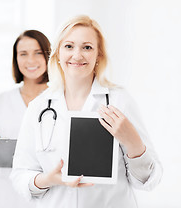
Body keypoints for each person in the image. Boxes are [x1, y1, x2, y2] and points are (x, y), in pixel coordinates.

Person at [11, 15, 163, 208]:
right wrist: (48, 179)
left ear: (99, 55)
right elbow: (20, 175)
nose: (77, 55)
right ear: (57, 53)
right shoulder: (39, 107)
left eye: (87, 47)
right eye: (69, 46)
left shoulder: (119, 101)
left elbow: (150, 180)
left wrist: (134, 143)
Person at [0, 30, 51, 208]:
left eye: (38, 53)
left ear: (48, 56)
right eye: (23, 54)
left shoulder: (62, 99)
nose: (31, 60)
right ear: (16, 59)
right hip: (6, 193)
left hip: (48, 192)